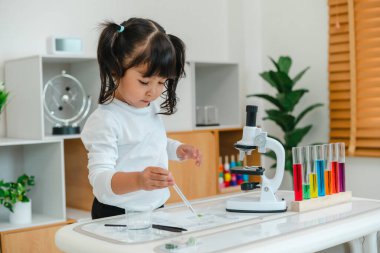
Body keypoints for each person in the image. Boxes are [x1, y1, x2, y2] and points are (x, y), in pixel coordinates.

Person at [81, 18, 202, 219]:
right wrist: (138, 181)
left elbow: (149, 144)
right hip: (116, 215)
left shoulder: (149, 108)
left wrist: (176, 149)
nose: (153, 92)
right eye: (144, 81)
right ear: (115, 69)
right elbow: (100, 180)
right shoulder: (106, 120)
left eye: (162, 82)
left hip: (155, 208)